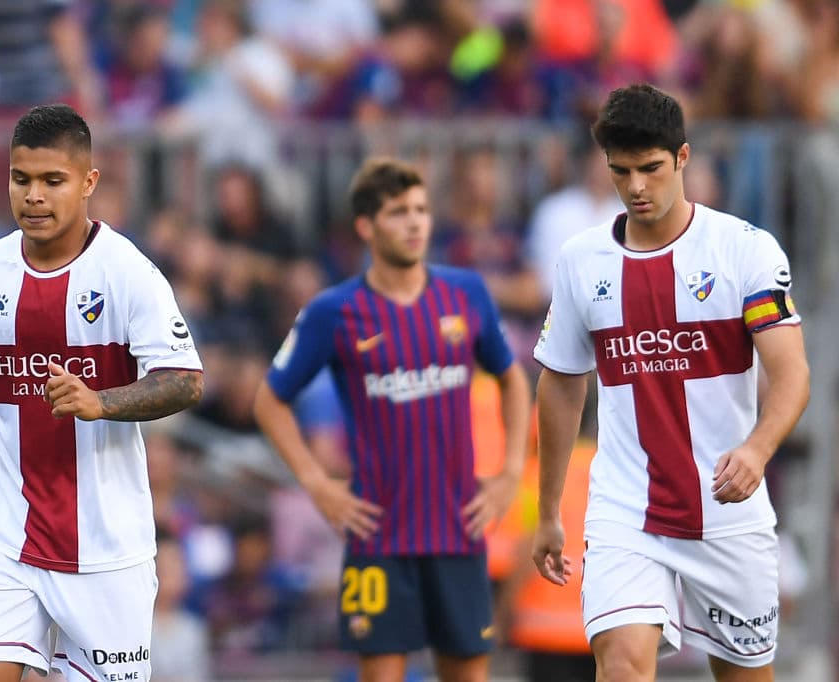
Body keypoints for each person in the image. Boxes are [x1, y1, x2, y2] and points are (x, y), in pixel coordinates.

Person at [0, 103, 204, 682]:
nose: (33, 196)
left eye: (53, 180)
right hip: (7, 536)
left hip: (107, 550)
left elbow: (185, 379)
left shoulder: (126, 272)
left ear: (88, 182)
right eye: (20, 179)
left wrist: (102, 401)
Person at [531, 83, 810, 682]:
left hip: (726, 508)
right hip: (627, 508)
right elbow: (560, 383)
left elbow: (792, 375)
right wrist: (548, 509)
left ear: (683, 157)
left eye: (651, 168)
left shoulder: (745, 251)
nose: (636, 186)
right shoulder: (580, 260)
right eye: (621, 171)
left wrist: (758, 449)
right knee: (621, 666)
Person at [253, 157, 531, 682]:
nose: (415, 222)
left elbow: (513, 380)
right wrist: (318, 484)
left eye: (421, 210)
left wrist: (511, 473)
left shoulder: (465, 293)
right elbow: (269, 401)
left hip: (457, 531)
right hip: (378, 537)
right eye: (399, 212)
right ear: (366, 226)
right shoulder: (333, 311)